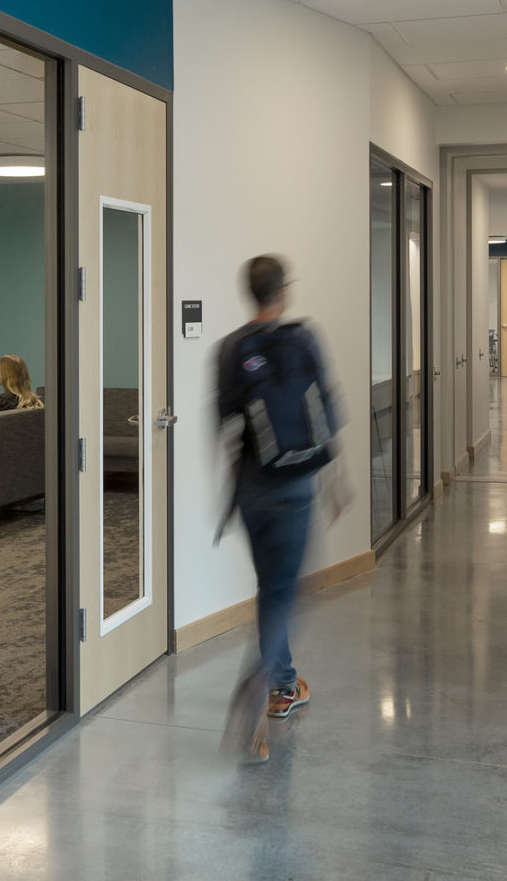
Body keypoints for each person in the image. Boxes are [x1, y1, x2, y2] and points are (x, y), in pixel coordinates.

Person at [216, 255, 345, 763]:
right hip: (296, 485)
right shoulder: (304, 337)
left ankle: (285, 681)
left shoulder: (231, 349)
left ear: (250, 292)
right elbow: (326, 409)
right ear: (283, 291)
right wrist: (337, 478)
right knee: (287, 593)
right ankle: (258, 687)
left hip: (252, 487)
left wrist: (233, 494)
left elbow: (225, 429)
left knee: (271, 588)